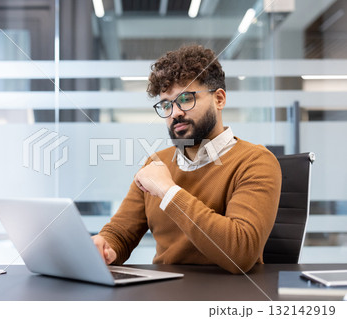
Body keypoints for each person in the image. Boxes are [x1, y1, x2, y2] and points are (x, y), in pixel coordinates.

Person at [92, 44, 282, 274]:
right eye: (166, 104)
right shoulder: (156, 163)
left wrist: (168, 191)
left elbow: (241, 252)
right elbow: (121, 232)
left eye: (185, 99)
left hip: (227, 297)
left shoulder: (256, 161)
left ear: (219, 99)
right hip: (164, 292)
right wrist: (105, 246)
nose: (175, 113)